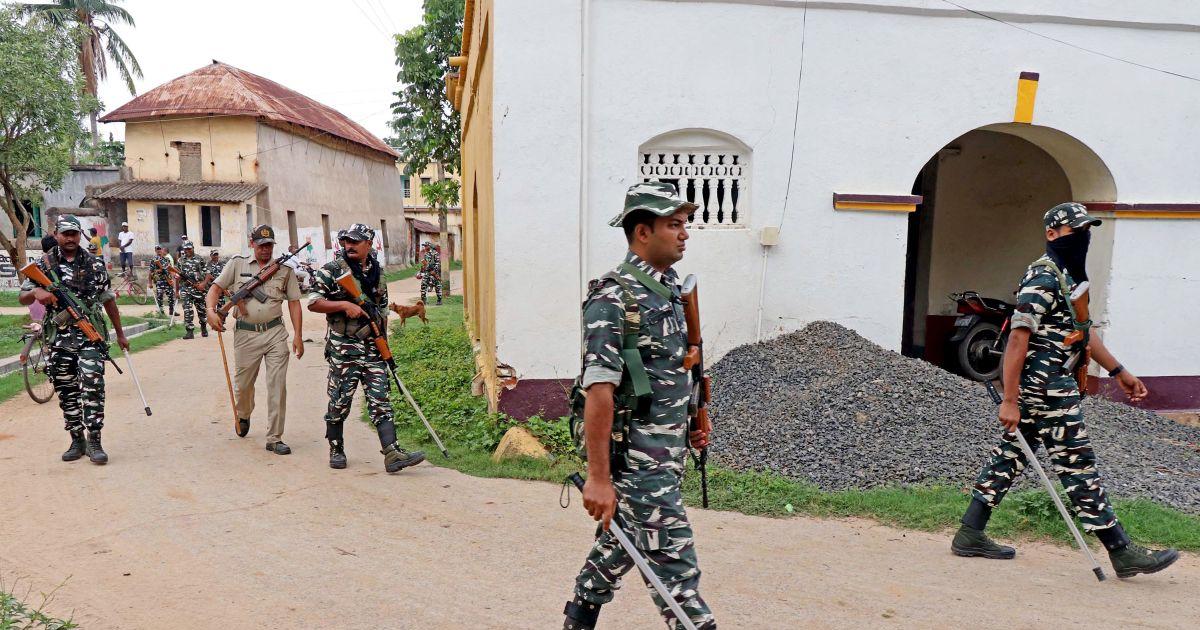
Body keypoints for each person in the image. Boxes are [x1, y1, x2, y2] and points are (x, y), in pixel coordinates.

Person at [952, 202, 1179, 579]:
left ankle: (970, 532)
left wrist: (1118, 371)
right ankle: (1121, 550)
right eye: (1077, 231)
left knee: (1010, 455)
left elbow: (1082, 332)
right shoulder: (1043, 276)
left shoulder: (1069, 276)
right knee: (1077, 463)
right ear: (1052, 234)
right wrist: (1009, 399)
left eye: (1087, 231)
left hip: (1050, 383)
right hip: (1046, 387)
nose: (1084, 237)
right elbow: (1017, 339)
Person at [563, 182, 715, 630]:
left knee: (625, 538)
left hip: (666, 454)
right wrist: (598, 478)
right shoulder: (613, 297)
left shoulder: (671, 290)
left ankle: (579, 616)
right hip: (637, 463)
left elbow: (670, 371)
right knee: (675, 571)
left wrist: (690, 422)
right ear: (642, 232)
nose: (684, 233)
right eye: (674, 224)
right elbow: (600, 391)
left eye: (685, 224)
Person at [307, 224, 425, 473]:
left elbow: (382, 312)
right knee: (339, 401)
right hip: (344, 349)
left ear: (369, 244)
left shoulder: (378, 273)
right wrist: (343, 305)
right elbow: (314, 302)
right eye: (347, 241)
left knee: (381, 399)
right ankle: (336, 448)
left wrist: (385, 348)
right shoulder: (332, 270)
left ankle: (392, 453)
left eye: (356, 242)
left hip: (372, 348)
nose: (349, 245)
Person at [19, 215, 130, 464]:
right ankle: (77, 439)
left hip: (89, 337)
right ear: (56, 235)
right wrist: (37, 291)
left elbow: (108, 300)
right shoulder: (43, 264)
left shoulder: (95, 264)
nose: (70, 238)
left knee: (93, 387)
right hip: (59, 339)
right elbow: (22, 297)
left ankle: (95, 441)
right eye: (65, 234)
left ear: (80, 235)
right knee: (66, 390)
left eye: (74, 234)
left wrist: (120, 334)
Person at [207, 225, 304, 455]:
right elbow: (215, 289)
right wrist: (211, 311)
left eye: (269, 245)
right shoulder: (237, 264)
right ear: (252, 244)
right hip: (246, 334)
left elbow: (294, 302)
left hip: (275, 333)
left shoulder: (284, 270)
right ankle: (243, 413)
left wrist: (298, 335)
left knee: (277, 385)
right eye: (261, 245)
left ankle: (274, 437)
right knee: (243, 386)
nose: (265, 250)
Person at [177, 241, 210, 339]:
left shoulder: (200, 259)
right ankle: (189, 331)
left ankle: (203, 327)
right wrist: (176, 290)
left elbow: (208, 273)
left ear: (193, 248)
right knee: (187, 309)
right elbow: (177, 275)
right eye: (185, 249)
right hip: (186, 289)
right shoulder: (180, 260)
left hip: (198, 289)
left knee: (202, 310)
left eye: (189, 248)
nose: (187, 250)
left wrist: (203, 284)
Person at [149, 245, 177, 317]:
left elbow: (170, 269)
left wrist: (172, 279)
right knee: (160, 297)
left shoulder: (166, 259)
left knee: (171, 296)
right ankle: (161, 312)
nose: (159, 250)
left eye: (160, 249)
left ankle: (172, 311)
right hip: (159, 281)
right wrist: (150, 283)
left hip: (168, 280)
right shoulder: (153, 260)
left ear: (162, 250)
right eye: (157, 249)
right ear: (155, 251)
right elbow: (150, 272)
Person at [419, 241, 443, 305]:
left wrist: (434, 271)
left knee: (437, 286)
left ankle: (439, 300)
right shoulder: (425, 254)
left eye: (426, 246)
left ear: (429, 246)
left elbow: (438, 263)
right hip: (427, 272)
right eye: (424, 246)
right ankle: (423, 300)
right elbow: (424, 264)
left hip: (434, 273)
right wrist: (421, 271)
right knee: (423, 285)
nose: (425, 247)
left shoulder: (435, 253)